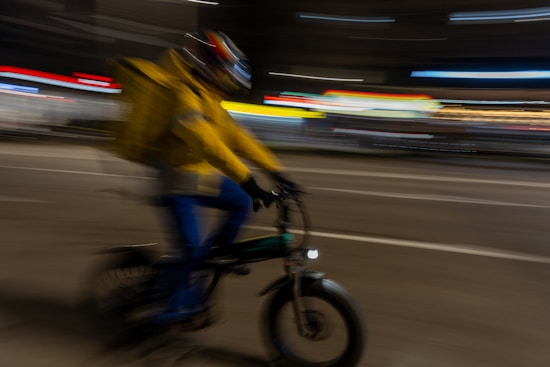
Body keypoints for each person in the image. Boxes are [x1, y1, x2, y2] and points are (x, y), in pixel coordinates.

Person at [140, 30, 296, 325]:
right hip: (174, 182)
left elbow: (237, 139)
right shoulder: (182, 93)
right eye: (227, 68)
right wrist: (247, 179)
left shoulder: (208, 95)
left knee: (240, 204)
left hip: (199, 177)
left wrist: (277, 172)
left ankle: (212, 258)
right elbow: (206, 143)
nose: (229, 75)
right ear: (210, 65)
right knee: (189, 249)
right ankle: (170, 313)